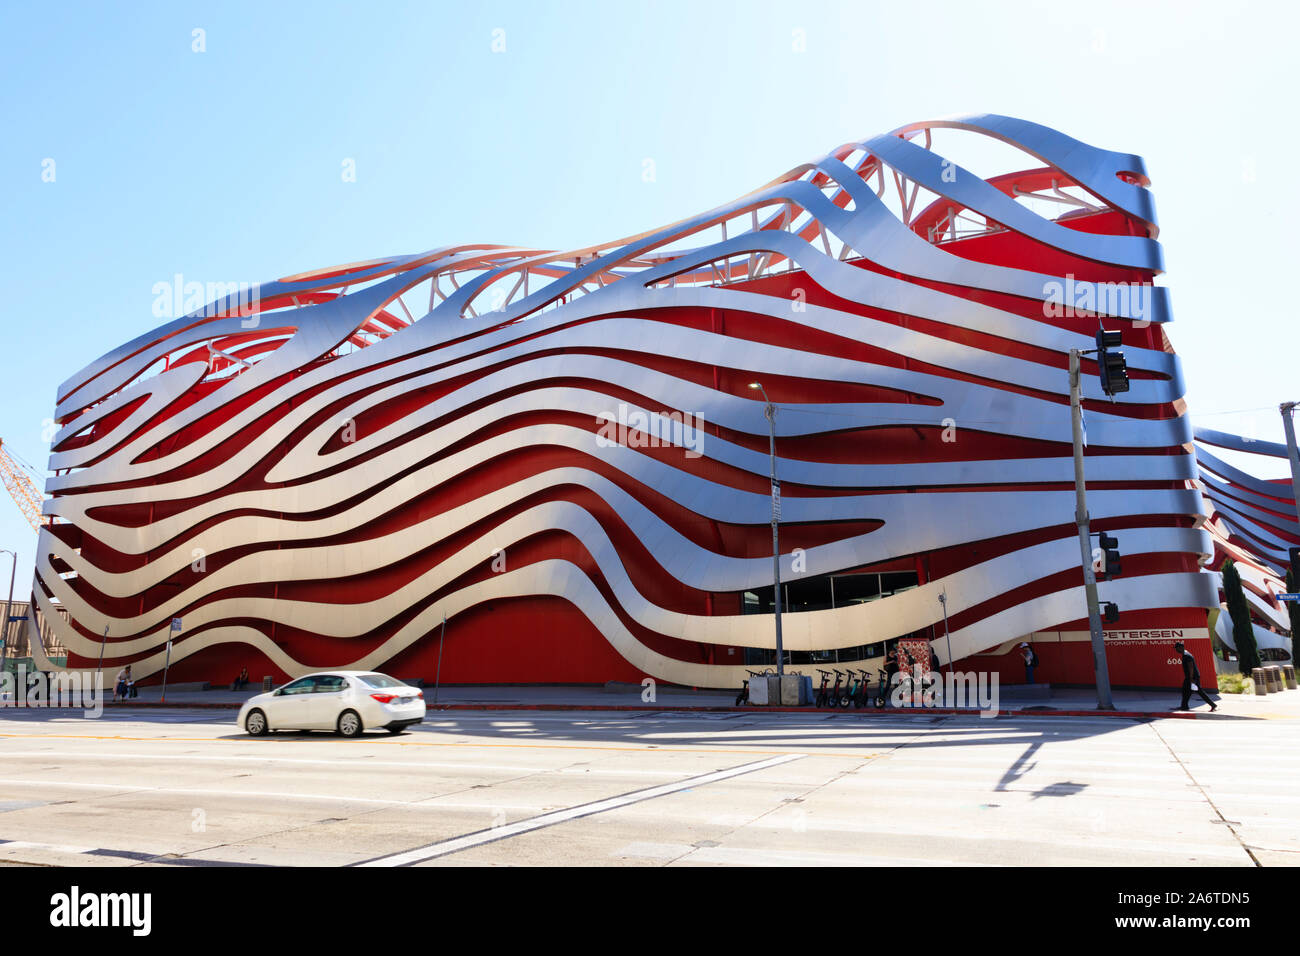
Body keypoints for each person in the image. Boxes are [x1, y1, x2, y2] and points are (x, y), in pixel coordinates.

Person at [1174, 641, 1217, 712]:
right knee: (1186, 691)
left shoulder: (1187, 655)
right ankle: (1184, 706)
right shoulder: (1185, 654)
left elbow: (1191, 667)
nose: (1176, 650)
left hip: (1192, 677)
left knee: (1199, 692)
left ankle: (1212, 705)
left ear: (1181, 647)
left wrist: (1191, 678)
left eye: (1176, 648)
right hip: (1190, 677)